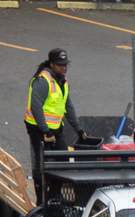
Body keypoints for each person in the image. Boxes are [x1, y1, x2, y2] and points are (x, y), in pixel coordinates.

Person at [25, 48, 81, 201]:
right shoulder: (42, 81)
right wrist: (46, 132)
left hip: (55, 127)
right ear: (51, 64)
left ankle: (55, 195)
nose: (64, 68)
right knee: (41, 162)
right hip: (38, 128)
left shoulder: (63, 81)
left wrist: (78, 128)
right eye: (60, 64)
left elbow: (68, 105)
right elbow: (36, 107)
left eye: (65, 64)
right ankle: (41, 201)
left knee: (63, 160)